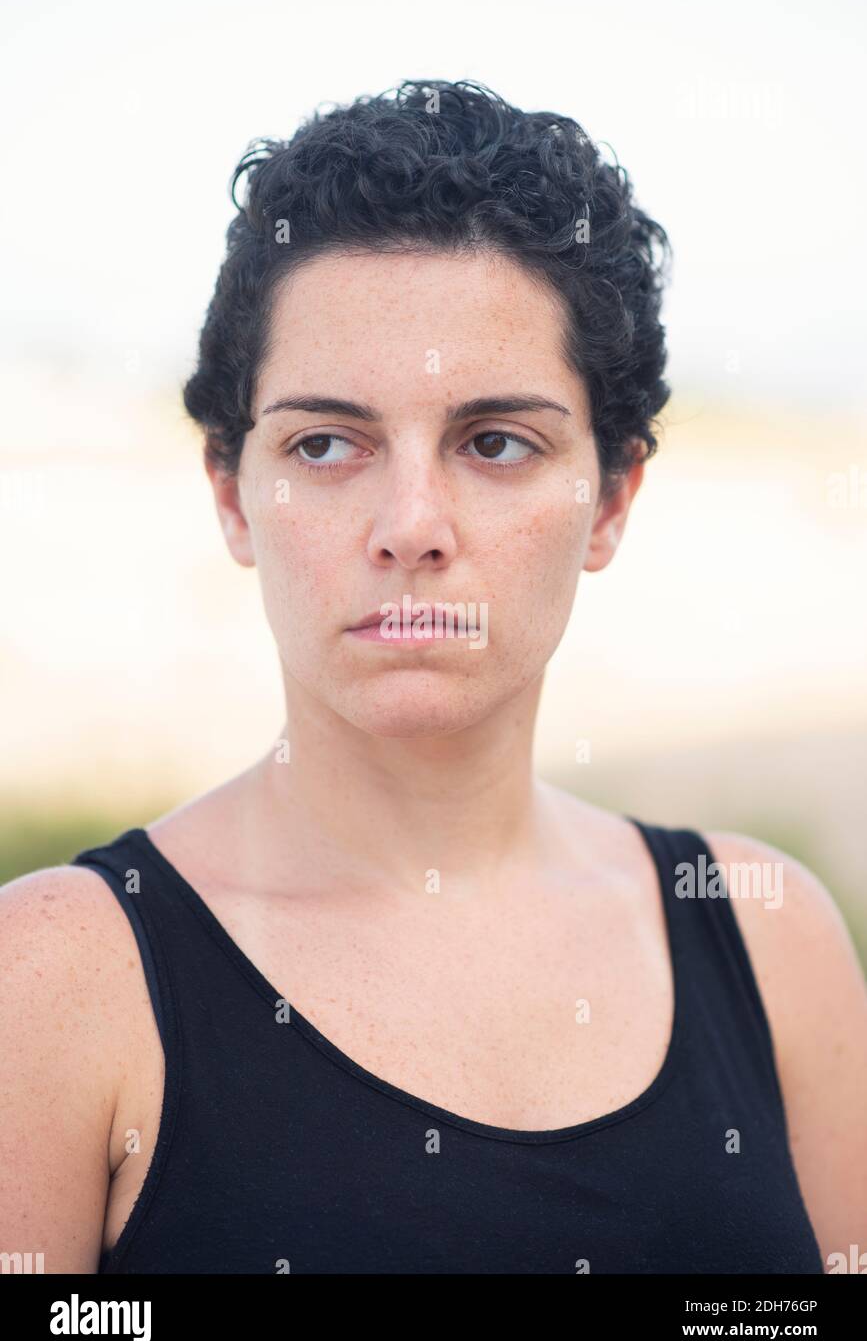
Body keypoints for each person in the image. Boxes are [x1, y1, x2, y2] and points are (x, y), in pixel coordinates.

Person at [2, 79, 865, 1275]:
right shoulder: (53, 977)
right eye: (326, 443)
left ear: (611, 497)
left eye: (496, 442)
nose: (412, 524)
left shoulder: (772, 944)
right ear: (229, 491)